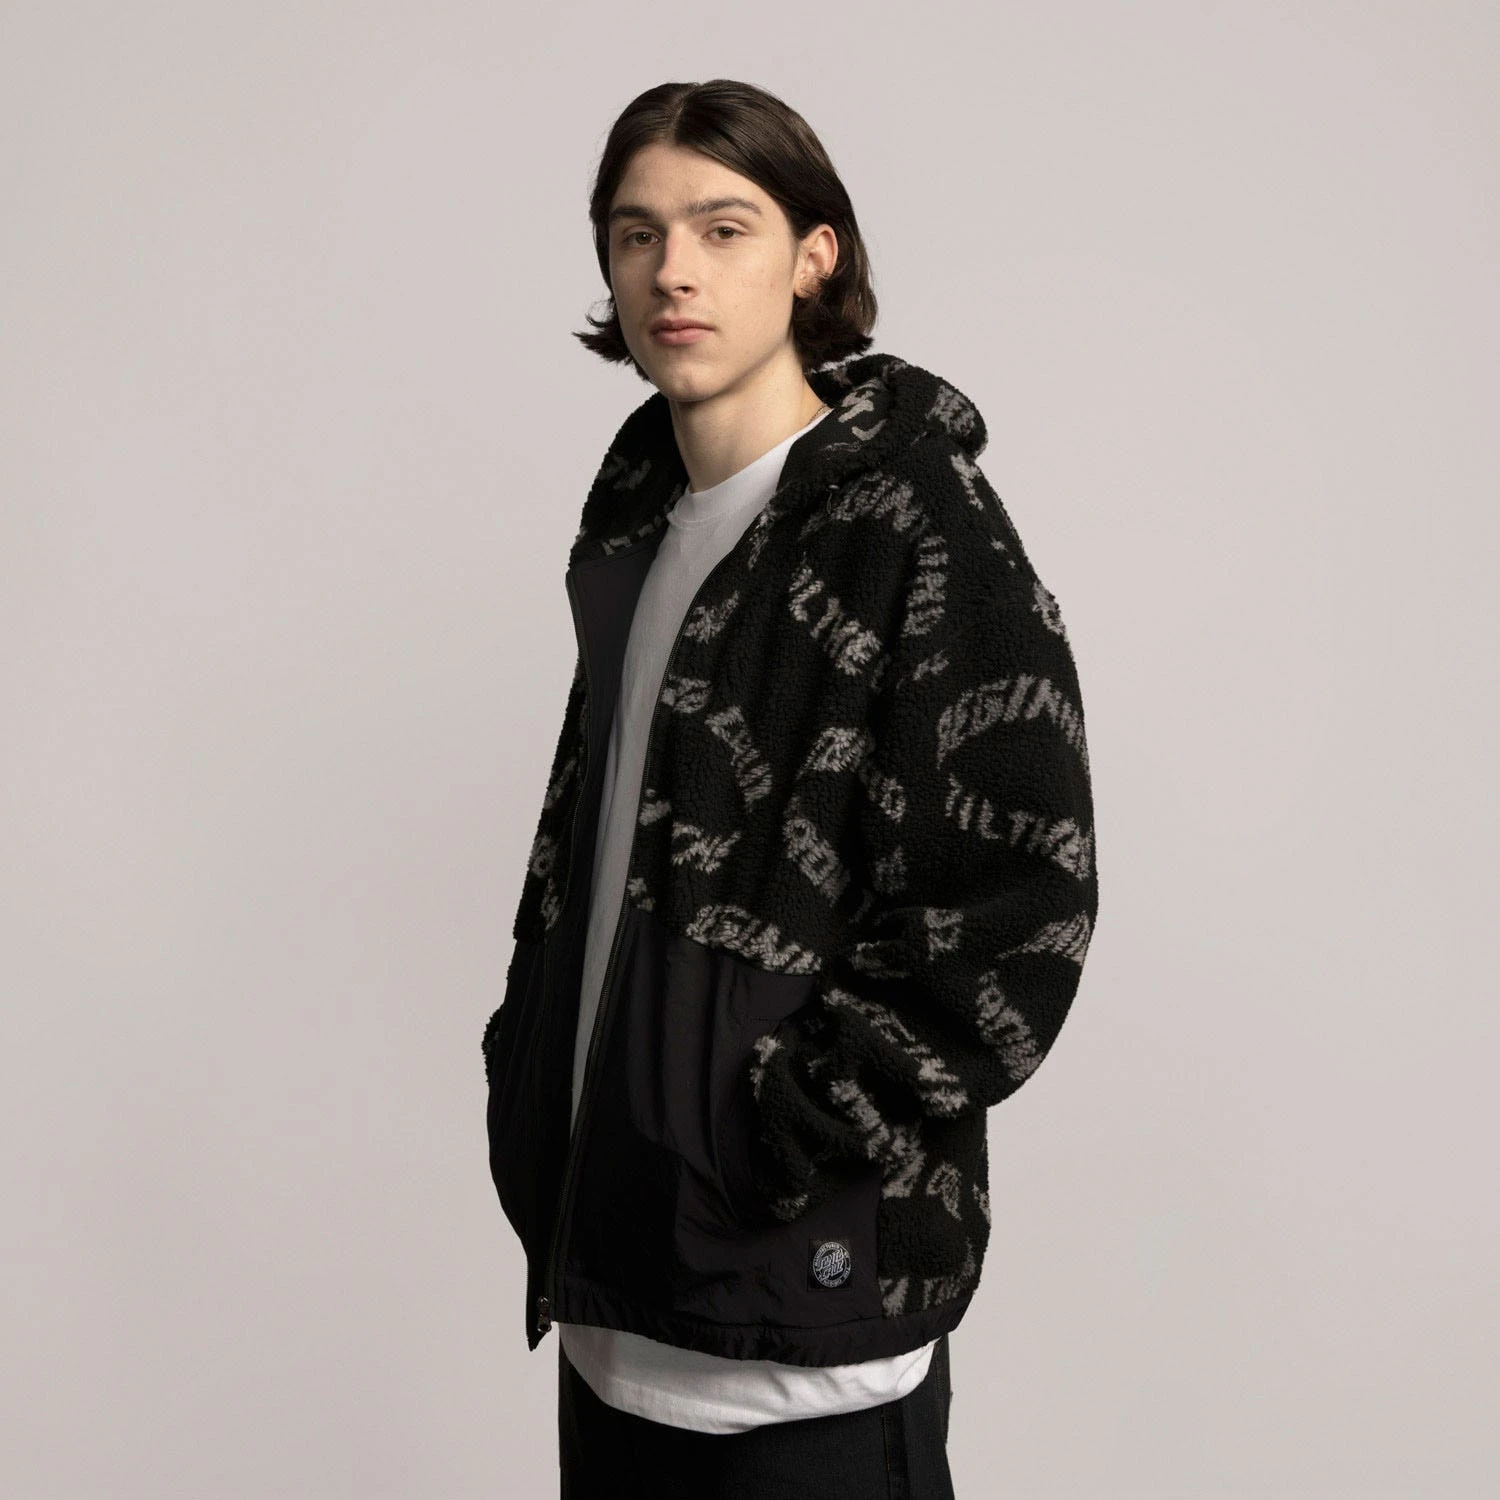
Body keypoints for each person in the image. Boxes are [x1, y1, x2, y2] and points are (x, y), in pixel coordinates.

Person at [481, 78, 1100, 1499]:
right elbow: (593, 849)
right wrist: (535, 1067)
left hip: (808, 1346)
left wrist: (778, 1129)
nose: (672, 271)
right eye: (637, 233)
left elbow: (1020, 907)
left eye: (723, 228)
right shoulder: (642, 522)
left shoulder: (917, 526)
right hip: (616, 1311)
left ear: (814, 256)